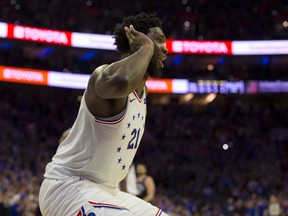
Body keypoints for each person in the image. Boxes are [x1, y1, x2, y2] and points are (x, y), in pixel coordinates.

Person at [39, 12, 168, 216]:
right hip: (68, 187)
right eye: (158, 41)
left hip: (108, 190)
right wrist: (146, 48)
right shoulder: (104, 75)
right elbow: (122, 82)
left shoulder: (143, 93)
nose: (165, 48)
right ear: (136, 38)